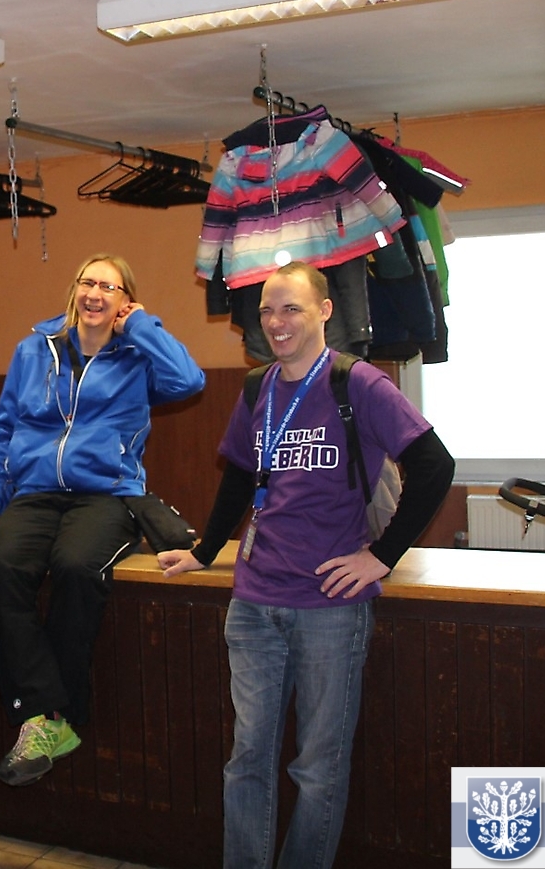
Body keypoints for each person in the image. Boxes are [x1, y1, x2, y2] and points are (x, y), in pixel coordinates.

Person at [158, 260, 454, 869]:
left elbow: (435, 466)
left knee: (318, 768)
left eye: (291, 308)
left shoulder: (357, 383)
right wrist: (204, 551)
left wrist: (380, 557)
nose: (277, 322)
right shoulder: (256, 389)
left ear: (324, 311)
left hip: (330, 609)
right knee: (247, 760)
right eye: (267, 310)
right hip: (254, 604)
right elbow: (240, 476)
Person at [0, 253, 205, 787]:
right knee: (2, 567)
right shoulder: (33, 350)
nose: (95, 294)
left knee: (75, 567)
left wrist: (142, 327)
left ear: (125, 302)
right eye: (87, 283)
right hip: (34, 494)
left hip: (106, 495)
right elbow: (6, 428)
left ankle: (49, 716)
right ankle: (48, 716)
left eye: (109, 287)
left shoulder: (137, 355)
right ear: (74, 290)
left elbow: (189, 381)